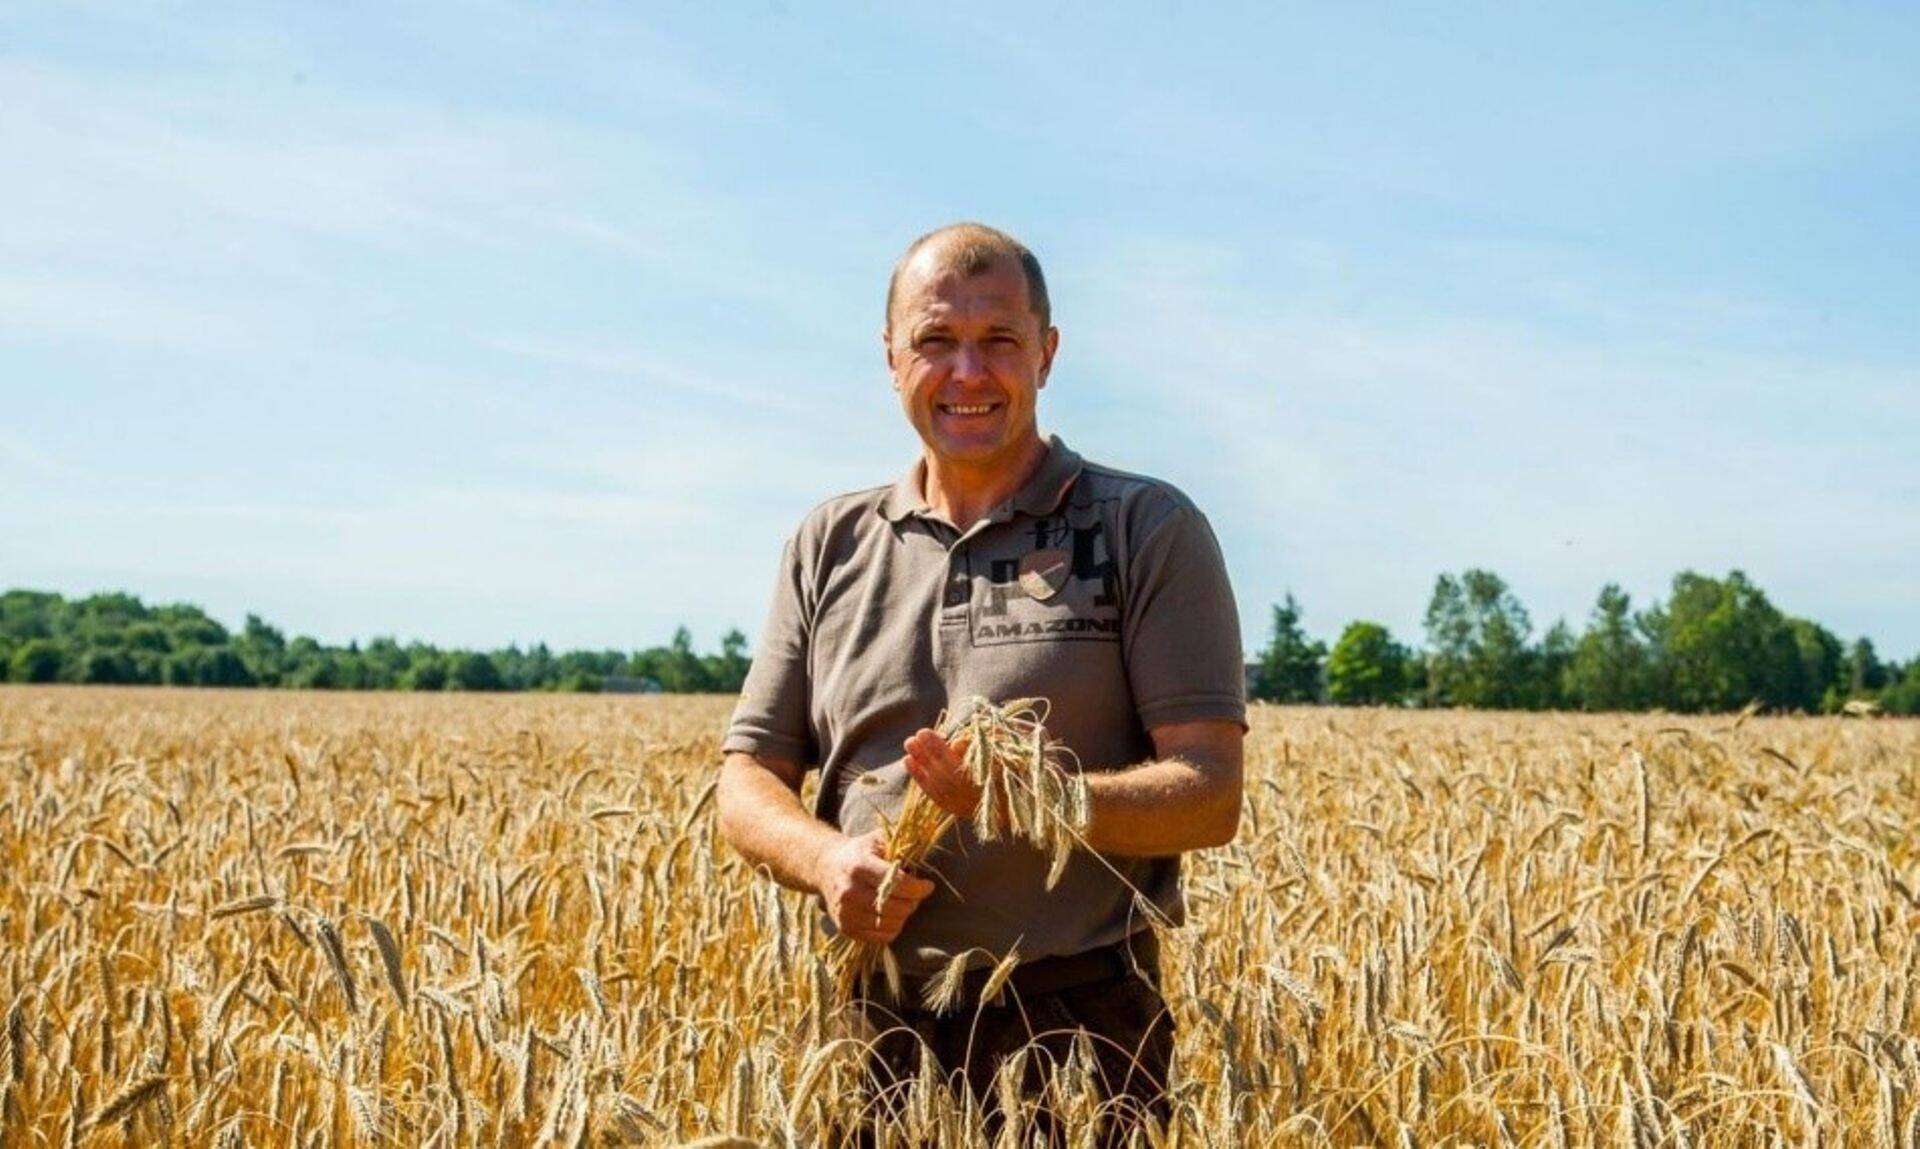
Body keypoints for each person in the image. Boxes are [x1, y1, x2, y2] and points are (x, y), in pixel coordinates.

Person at [716, 222, 1246, 1141]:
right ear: (891, 357)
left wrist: (1029, 799)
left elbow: (1210, 793)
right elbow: (746, 777)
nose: (968, 371)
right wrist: (827, 862)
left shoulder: (1142, 527)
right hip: (870, 1019)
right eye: (935, 340)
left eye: (999, 339)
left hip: (1082, 1029)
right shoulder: (829, 544)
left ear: (1047, 352)